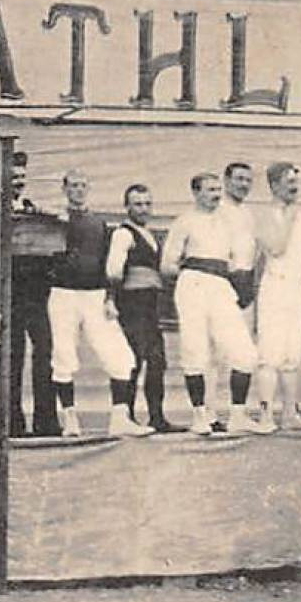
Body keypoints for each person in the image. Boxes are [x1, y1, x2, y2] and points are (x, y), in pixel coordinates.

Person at [48, 169, 151, 438]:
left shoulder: (100, 224)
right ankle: (70, 419)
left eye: (83, 185)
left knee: (121, 357)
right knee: (63, 356)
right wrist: (54, 218)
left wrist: (109, 298)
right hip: (63, 294)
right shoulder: (53, 220)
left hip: (94, 295)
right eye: (73, 186)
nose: (78, 190)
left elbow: (108, 264)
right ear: (64, 188)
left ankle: (119, 418)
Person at [161, 173, 267, 435]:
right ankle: (200, 417)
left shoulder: (227, 223)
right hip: (193, 285)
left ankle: (238, 416)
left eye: (218, 189)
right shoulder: (184, 222)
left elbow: (236, 261)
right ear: (195, 192)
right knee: (195, 351)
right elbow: (167, 264)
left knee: (245, 354)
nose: (216, 194)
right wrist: (194, 272)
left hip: (222, 286)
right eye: (210, 190)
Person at [0, 152, 60, 437]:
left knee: (45, 354)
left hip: (37, 292)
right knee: (12, 358)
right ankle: (13, 423)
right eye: (13, 177)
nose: (19, 183)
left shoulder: (35, 209)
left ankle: (46, 421)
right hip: (10, 291)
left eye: (22, 177)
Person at [252, 161, 301, 432]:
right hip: (275, 289)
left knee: (293, 355)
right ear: (274, 186)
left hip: (299, 290)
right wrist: (289, 216)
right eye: (288, 181)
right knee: (270, 354)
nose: (294, 186)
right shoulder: (265, 216)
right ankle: (266, 416)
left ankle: (290, 415)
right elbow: (277, 247)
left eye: (296, 181)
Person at [106, 183, 177, 432]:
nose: (143, 209)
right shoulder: (123, 234)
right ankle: (127, 418)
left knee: (157, 361)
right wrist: (111, 300)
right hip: (132, 303)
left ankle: (157, 417)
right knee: (132, 360)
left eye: (147, 203)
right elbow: (113, 271)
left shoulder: (148, 235)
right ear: (127, 207)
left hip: (150, 303)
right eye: (137, 204)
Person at [213, 162, 260, 427]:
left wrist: (246, 287)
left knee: (243, 353)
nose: (243, 185)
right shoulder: (216, 211)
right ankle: (209, 414)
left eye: (248, 180)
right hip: (222, 284)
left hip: (244, 285)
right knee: (216, 355)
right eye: (239, 179)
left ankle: (237, 413)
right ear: (226, 180)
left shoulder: (248, 214)